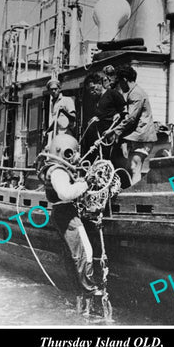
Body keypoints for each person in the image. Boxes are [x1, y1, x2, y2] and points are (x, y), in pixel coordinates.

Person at [38, 134, 102, 315]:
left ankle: (80, 296)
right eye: (74, 153)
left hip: (60, 213)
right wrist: (85, 184)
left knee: (72, 255)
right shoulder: (59, 172)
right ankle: (89, 291)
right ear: (67, 152)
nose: (77, 157)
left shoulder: (52, 169)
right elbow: (65, 193)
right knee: (84, 252)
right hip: (66, 214)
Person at [108, 65, 157, 184]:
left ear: (124, 80)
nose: (120, 85)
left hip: (142, 137)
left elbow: (131, 119)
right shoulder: (135, 92)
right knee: (132, 167)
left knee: (135, 167)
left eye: (119, 81)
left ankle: (135, 198)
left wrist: (115, 131)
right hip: (139, 136)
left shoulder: (136, 94)